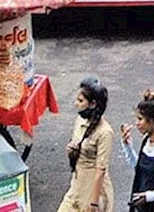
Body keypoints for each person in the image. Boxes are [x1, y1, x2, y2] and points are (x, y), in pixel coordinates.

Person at [59, 77, 115, 212]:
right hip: (77, 185)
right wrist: (72, 150)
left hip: (92, 191)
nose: (76, 104)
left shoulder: (105, 132)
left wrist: (94, 203)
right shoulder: (80, 120)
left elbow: (100, 170)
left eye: (80, 101)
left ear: (93, 104)